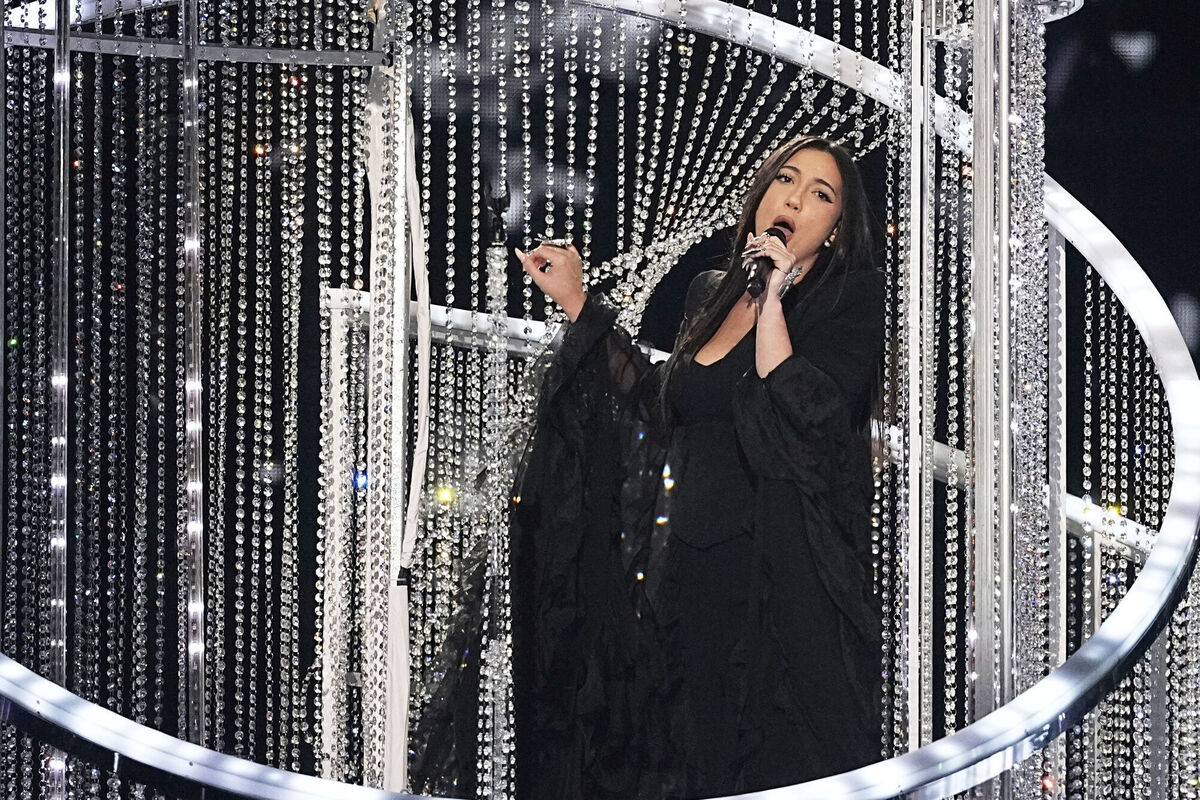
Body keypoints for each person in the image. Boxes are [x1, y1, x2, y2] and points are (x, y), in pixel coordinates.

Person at [507, 134, 886, 799]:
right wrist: (578, 302)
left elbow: (804, 414)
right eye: (785, 180)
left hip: (780, 578)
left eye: (820, 194)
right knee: (693, 758)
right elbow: (662, 404)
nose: (795, 198)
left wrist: (774, 299)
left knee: (776, 767)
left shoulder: (846, 299)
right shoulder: (712, 292)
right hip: (691, 569)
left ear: (833, 229)